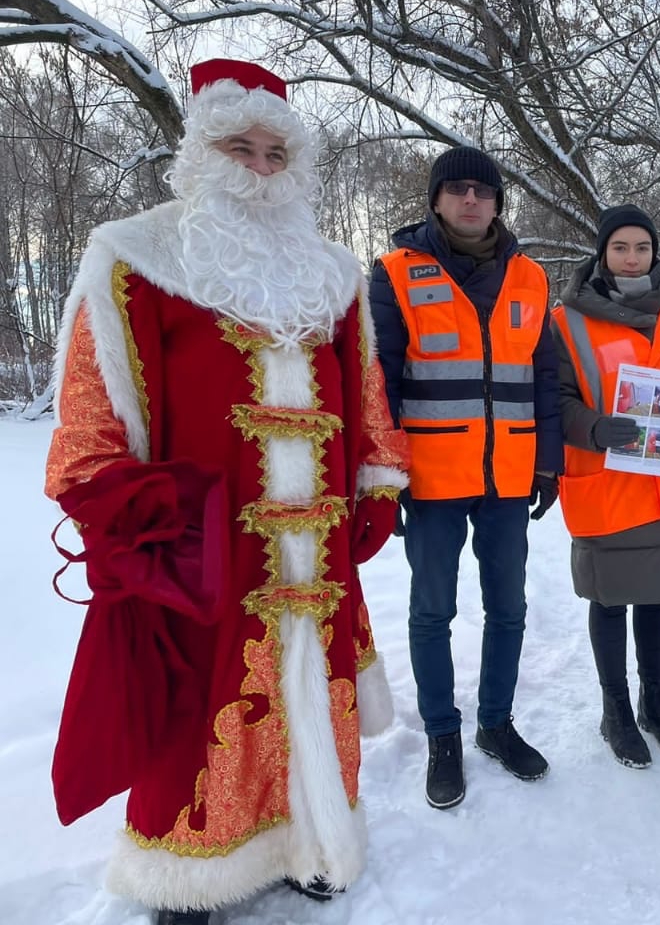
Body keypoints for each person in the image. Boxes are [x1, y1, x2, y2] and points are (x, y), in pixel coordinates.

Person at [44, 59, 409, 925]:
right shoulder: (135, 254)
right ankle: (189, 871)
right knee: (199, 699)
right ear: (201, 152)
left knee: (310, 686)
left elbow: (365, 391)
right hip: (199, 538)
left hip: (314, 541)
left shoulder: (333, 273)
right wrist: (115, 503)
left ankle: (311, 842)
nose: (257, 167)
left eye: (274, 152)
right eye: (238, 146)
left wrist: (378, 482)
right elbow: (92, 398)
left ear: (296, 165)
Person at [370, 145, 562, 810]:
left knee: (509, 607)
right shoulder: (394, 274)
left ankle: (496, 724)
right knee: (433, 610)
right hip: (431, 478)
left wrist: (548, 460)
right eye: (457, 190)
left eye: (483, 190)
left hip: (509, 474)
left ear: (499, 202)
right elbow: (380, 381)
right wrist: (383, 473)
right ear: (436, 200)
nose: (471, 200)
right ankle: (443, 735)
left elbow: (545, 377)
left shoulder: (530, 278)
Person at [551, 204, 660, 769]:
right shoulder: (566, 320)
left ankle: (655, 701)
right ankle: (615, 709)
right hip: (606, 480)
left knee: (656, 593)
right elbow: (556, 398)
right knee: (609, 596)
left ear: (654, 252)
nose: (631, 257)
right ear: (602, 253)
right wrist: (592, 428)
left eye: (641, 247)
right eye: (620, 247)